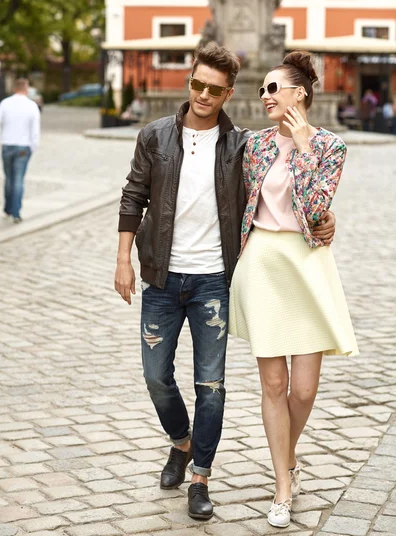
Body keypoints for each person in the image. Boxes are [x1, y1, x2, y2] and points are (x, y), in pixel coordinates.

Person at [114, 43, 336, 521]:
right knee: (158, 377)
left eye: (214, 90)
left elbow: (303, 201)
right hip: (193, 275)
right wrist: (124, 259)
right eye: (196, 84)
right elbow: (134, 194)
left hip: (229, 277)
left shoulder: (269, 145)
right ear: (188, 82)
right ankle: (185, 445)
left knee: (222, 386)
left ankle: (206, 476)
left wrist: (325, 214)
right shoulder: (186, 139)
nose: (203, 95)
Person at [229, 51, 359, 529]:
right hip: (263, 264)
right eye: (261, 89)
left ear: (299, 93)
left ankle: (289, 454)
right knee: (275, 385)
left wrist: (303, 144)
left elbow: (313, 206)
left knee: (303, 390)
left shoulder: (330, 146)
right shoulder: (255, 145)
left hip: (307, 267)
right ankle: (283, 485)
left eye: (272, 88)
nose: (264, 96)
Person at [0, 78, 41, 223]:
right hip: (23, 146)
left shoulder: (5, 103)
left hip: (7, 145)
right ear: (26, 89)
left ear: (15, 88)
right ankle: (16, 212)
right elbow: (35, 130)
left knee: (8, 178)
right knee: (18, 180)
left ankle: (8, 208)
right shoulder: (32, 105)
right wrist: (34, 146)